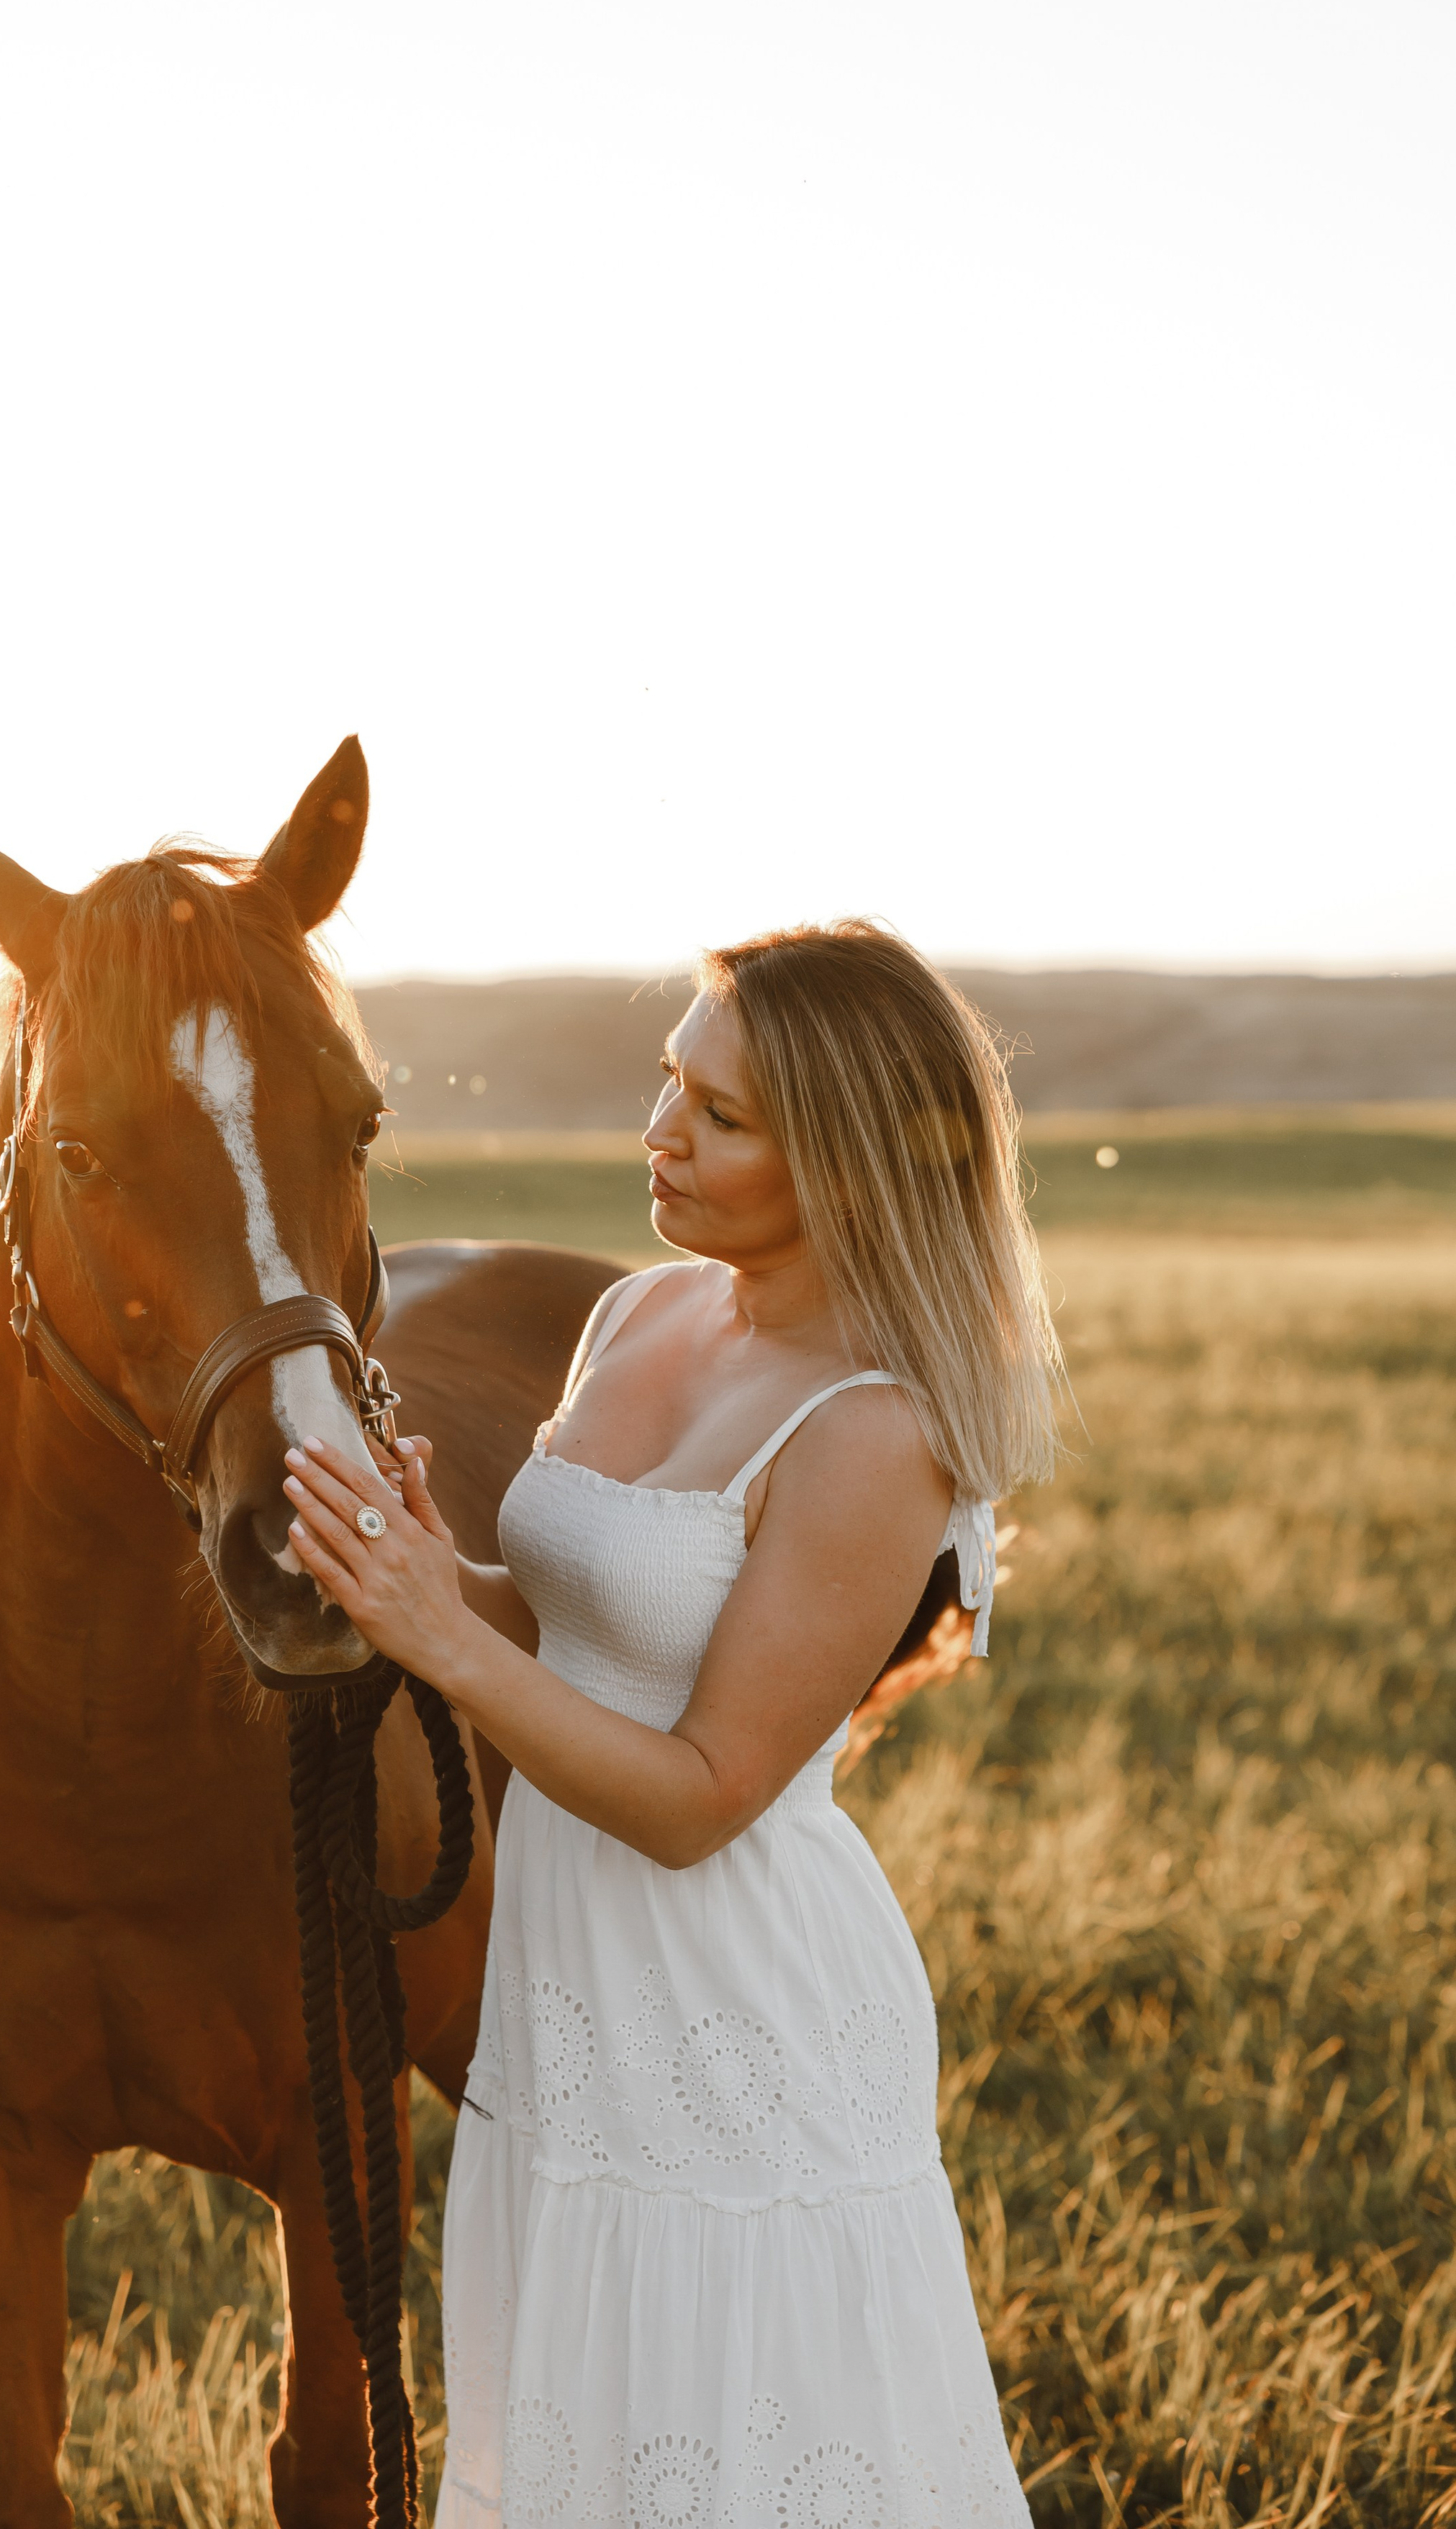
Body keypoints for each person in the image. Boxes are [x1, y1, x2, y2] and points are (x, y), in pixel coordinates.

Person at [283, 920, 1059, 2526]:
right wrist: (441, 1577)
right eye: (667, 1084)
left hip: (738, 2005)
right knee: (591, 2421)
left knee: (742, 2436)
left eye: (722, 1116)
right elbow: (571, 1629)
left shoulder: (873, 1428)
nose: (662, 1133)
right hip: (569, 1987)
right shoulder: (638, 1314)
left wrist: (444, 1640)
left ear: (842, 1156)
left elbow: (700, 1789)